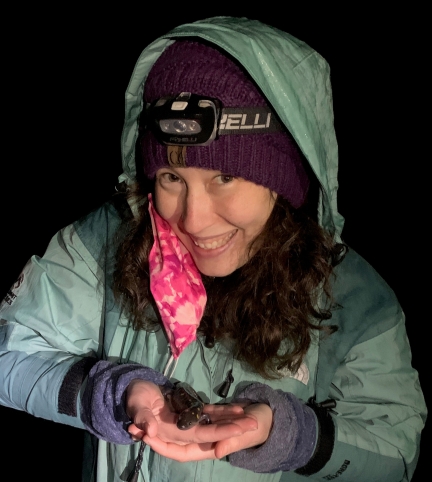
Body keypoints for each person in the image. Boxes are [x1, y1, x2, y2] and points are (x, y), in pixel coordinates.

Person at [0, 16, 427, 482]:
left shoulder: (353, 297)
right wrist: (106, 391)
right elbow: (8, 354)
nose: (193, 218)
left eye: (225, 178)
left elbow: (395, 455)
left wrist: (296, 437)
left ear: (284, 182)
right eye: (171, 178)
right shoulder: (109, 241)